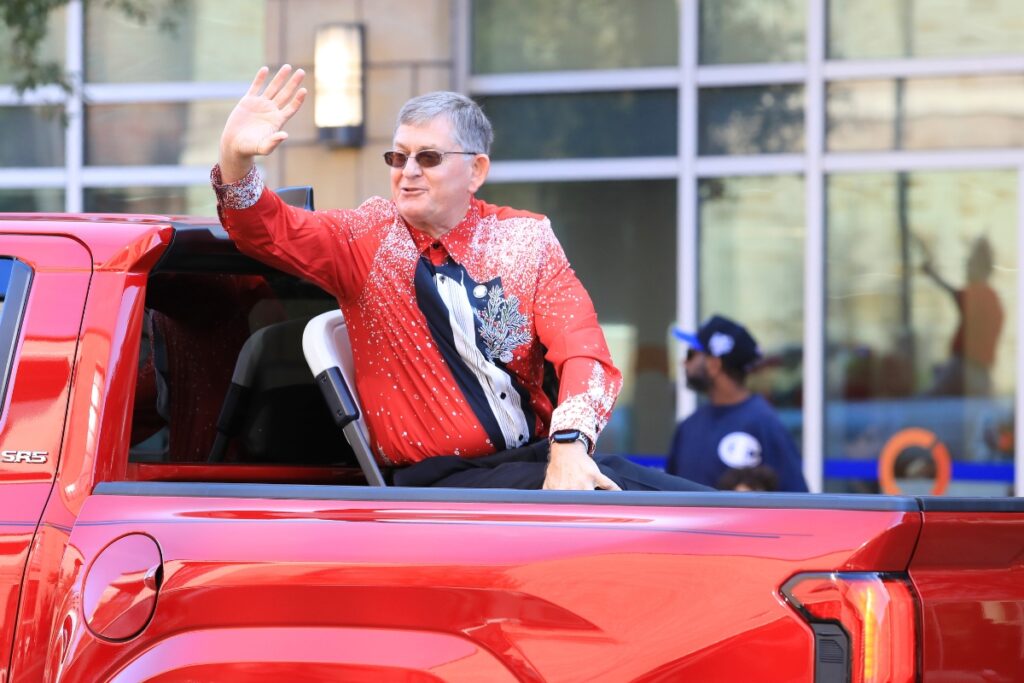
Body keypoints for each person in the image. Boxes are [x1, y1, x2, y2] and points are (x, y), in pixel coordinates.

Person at [210, 65, 709, 492]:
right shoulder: (364, 237)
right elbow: (263, 229)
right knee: (643, 499)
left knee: (656, 490)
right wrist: (236, 158)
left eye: (427, 157)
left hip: (528, 459)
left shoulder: (525, 239)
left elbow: (583, 350)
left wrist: (570, 444)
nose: (407, 171)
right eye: (397, 156)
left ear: (476, 171)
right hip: (437, 488)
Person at [666, 315, 808, 492]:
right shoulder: (689, 426)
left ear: (714, 365)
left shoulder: (764, 424)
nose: (684, 362)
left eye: (691, 354)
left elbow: (796, 501)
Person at [920, 235, 1003, 397]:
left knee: (925, 403)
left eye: (970, 263)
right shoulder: (991, 299)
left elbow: (955, 294)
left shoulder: (979, 295)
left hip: (967, 368)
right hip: (978, 372)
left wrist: (932, 274)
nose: (966, 268)